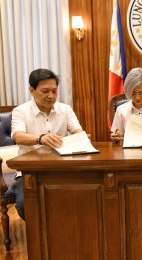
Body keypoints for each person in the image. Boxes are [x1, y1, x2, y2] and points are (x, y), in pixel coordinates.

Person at [6, 68, 84, 220]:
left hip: (61, 168)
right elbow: (18, 136)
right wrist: (40, 138)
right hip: (29, 171)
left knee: (80, 196)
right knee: (25, 205)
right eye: (45, 91)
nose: (51, 96)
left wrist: (81, 138)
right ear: (32, 90)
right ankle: (39, 238)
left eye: (54, 91)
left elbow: (78, 132)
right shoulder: (20, 111)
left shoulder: (65, 109)